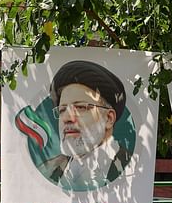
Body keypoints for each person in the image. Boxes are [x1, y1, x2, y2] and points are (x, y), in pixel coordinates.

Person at [38, 60, 132, 190]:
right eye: (62, 110)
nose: (67, 118)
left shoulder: (131, 166)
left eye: (81, 107)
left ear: (109, 118)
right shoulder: (47, 169)